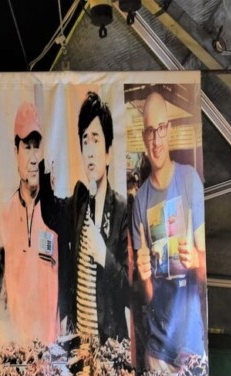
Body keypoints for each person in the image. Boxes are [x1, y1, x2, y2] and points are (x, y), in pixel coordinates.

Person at [131, 91, 207, 375]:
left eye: (161, 129)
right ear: (144, 137)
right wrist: (143, 276)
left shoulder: (189, 180)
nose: (156, 140)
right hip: (156, 352)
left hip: (191, 347)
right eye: (150, 131)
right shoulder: (140, 200)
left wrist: (196, 260)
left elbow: (205, 275)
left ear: (170, 130)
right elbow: (147, 296)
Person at [0, 101, 69, 351]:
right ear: (16, 151)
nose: (33, 158)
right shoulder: (2, 214)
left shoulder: (55, 215)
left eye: (37, 147)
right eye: (27, 147)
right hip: (16, 353)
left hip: (50, 353)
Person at [62, 91, 130, 345]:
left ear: (108, 152)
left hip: (110, 348)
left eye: (96, 140)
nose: (90, 151)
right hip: (78, 349)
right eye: (85, 141)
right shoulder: (78, 201)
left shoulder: (123, 210)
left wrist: (103, 255)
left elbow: (132, 292)